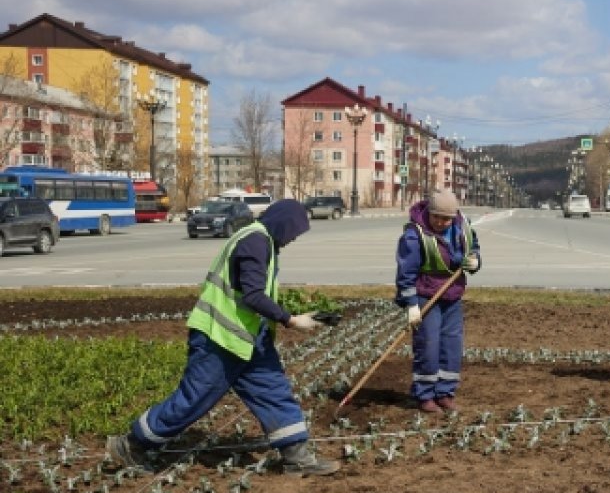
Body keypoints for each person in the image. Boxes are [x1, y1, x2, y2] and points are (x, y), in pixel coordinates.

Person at [107, 199, 339, 476]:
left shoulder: (261, 239)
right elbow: (253, 294)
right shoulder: (255, 242)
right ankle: (130, 445)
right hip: (219, 339)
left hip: (248, 338)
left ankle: (296, 456)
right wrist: (290, 320)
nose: (292, 239)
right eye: (293, 232)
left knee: (273, 391)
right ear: (283, 223)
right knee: (193, 400)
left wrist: (293, 314)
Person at [395, 189, 481, 414]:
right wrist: (412, 304)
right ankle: (425, 396)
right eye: (437, 217)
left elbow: (473, 248)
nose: (442, 223)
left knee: (451, 346)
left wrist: (475, 261)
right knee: (429, 346)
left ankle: (445, 393)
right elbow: (406, 273)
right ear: (430, 213)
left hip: (452, 296)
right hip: (427, 297)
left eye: (446, 219)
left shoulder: (462, 228)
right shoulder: (415, 236)